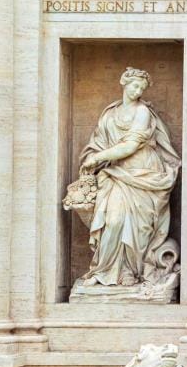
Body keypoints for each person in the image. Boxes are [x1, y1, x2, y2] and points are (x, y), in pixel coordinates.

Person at [72, 67, 179, 292]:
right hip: (115, 174)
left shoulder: (143, 112)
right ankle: (103, 271)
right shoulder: (110, 114)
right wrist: (94, 157)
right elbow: (99, 142)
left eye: (142, 87)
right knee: (113, 221)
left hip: (143, 173)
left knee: (138, 227)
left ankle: (132, 271)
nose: (138, 90)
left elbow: (131, 145)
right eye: (135, 85)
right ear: (124, 83)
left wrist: (99, 157)